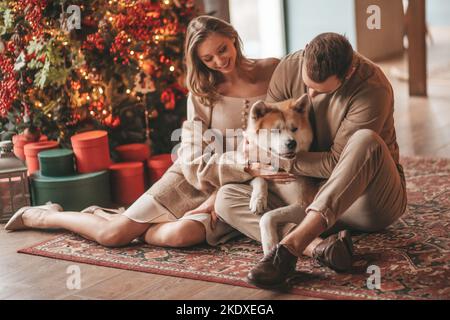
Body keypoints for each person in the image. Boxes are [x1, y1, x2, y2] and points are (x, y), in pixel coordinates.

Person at [4, 16, 277, 248]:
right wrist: (231, 176)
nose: (219, 61)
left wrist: (227, 188)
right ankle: (45, 215)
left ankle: (117, 217)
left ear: (232, 36)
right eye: (208, 58)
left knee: (181, 235)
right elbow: (192, 159)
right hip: (198, 178)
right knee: (113, 236)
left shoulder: (274, 70)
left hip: (241, 186)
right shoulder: (203, 92)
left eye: (222, 49)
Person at [214, 33, 407, 289]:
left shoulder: (372, 88)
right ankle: (319, 248)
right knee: (226, 199)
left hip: (367, 200)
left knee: (365, 141)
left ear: (347, 74)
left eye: (321, 90)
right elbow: (269, 132)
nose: (311, 94)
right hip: (309, 192)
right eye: (308, 85)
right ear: (305, 52)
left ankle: (289, 250)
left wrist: (278, 160)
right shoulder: (289, 67)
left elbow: (334, 164)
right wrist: (255, 152)